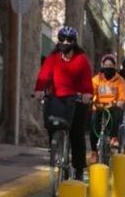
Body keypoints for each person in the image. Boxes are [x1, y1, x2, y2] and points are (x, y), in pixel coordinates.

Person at [33, 26, 93, 182]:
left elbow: (87, 80)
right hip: (56, 98)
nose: (65, 43)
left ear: (74, 42)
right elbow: (44, 75)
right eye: (62, 39)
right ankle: (56, 151)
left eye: (69, 40)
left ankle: (78, 169)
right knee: (52, 124)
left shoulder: (81, 59)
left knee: (76, 134)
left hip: (77, 100)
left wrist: (87, 93)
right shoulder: (52, 58)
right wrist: (39, 90)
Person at [89, 53, 125, 163]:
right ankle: (93, 152)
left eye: (110, 65)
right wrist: (91, 101)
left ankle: (114, 137)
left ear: (115, 66)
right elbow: (91, 91)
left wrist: (121, 101)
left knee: (115, 115)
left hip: (113, 106)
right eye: (106, 65)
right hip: (99, 106)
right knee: (93, 124)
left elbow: (123, 94)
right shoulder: (96, 79)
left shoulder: (120, 80)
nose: (108, 67)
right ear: (102, 65)